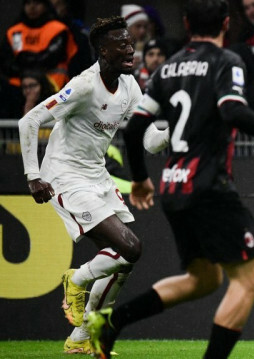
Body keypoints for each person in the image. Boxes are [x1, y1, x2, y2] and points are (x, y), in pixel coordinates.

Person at [85, 1, 254, 358]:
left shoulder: (167, 68)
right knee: (251, 279)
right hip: (209, 188)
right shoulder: (227, 61)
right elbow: (232, 110)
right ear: (226, 23)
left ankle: (112, 321)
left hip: (174, 189)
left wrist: (143, 180)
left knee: (203, 280)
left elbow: (134, 130)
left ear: (187, 23)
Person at [17, 16, 168, 355]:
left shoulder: (129, 86)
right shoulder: (84, 86)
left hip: (96, 176)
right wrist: (32, 174)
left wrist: (178, 128)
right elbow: (30, 120)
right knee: (130, 247)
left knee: (125, 259)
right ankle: (78, 278)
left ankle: (82, 337)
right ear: (103, 50)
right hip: (64, 176)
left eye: (131, 42)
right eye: (122, 44)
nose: (131, 49)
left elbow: (148, 141)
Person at [1, 0, 78, 90]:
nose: (32, 7)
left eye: (37, 3)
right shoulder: (14, 32)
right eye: (28, 3)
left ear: (46, 5)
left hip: (52, 87)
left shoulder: (58, 29)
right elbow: (4, 62)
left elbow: (51, 58)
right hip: (17, 88)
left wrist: (25, 61)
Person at [121, 4, 149, 71]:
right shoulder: (117, 48)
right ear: (127, 27)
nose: (142, 31)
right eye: (138, 26)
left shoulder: (149, 46)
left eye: (145, 27)